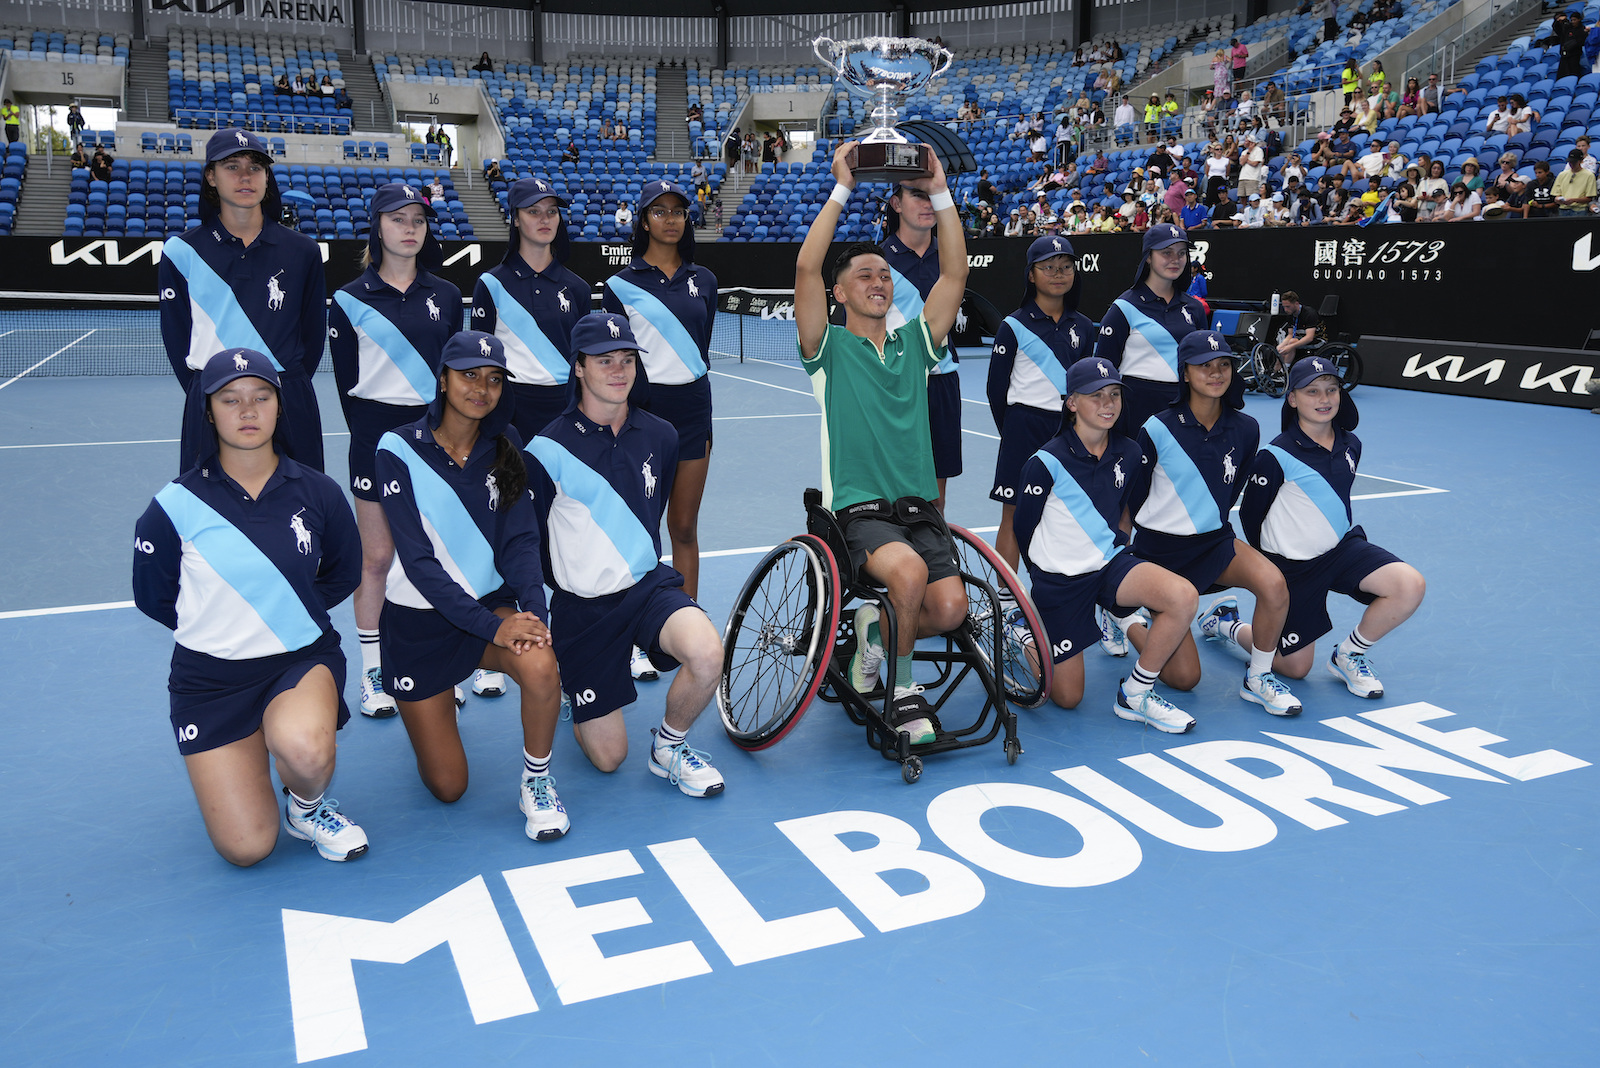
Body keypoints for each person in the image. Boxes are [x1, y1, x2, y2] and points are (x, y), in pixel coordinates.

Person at [132, 348, 366, 865]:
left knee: (305, 750)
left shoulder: (320, 492)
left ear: (280, 408)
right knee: (247, 849)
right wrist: (224, 623)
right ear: (208, 412)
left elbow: (344, 573)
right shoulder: (173, 506)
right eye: (230, 399)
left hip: (297, 661)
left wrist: (285, 615)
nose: (247, 410)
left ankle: (305, 807)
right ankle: (252, 743)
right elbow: (155, 597)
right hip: (209, 682)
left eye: (261, 397)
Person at [793, 139, 970, 744]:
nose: (879, 280)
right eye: (864, 274)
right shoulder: (828, 351)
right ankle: (901, 691)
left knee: (950, 610)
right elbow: (804, 270)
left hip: (917, 506)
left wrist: (940, 188)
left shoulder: (915, 346)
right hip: (860, 510)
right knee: (911, 573)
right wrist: (842, 187)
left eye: (885, 275)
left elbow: (954, 272)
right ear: (839, 292)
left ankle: (873, 632)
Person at [375, 331, 568, 839]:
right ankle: (432, 705)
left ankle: (537, 781)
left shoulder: (506, 448)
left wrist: (534, 617)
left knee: (542, 663)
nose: (481, 387)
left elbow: (522, 543)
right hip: (419, 622)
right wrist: (494, 629)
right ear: (442, 380)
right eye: (468, 375)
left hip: (489, 610)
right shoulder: (396, 448)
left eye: (494, 378)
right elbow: (418, 564)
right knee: (448, 785)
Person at [524, 313, 726, 796]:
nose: (619, 370)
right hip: (584, 610)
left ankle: (669, 747)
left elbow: (651, 508)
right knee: (609, 758)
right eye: (604, 360)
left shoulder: (662, 434)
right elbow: (528, 543)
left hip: (648, 588)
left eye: (628, 359)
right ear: (578, 368)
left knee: (707, 653)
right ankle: (578, 684)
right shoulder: (545, 450)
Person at [329, 182, 463, 719]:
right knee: (379, 558)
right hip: (375, 435)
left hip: (435, 437)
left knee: (436, 556)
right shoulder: (348, 300)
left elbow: (456, 375)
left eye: (418, 220)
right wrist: (373, 435)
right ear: (377, 227)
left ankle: (445, 665)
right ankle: (373, 673)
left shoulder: (448, 296)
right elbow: (345, 384)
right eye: (397, 218)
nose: (409, 228)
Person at [1219, 356, 1427, 698]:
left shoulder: (1351, 445)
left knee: (1409, 585)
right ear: (1292, 399)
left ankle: (1349, 654)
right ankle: (1228, 624)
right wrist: (1272, 569)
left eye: (1331, 390)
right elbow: (1251, 516)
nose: (1324, 398)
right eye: (1312, 391)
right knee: (1294, 669)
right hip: (1292, 569)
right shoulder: (1274, 456)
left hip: (1342, 551)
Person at [1012, 359, 1200, 730]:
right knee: (1067, 697)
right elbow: (1024, 527)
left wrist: (1117, 549)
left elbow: (1123, 510)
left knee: (1183, 600)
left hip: (1110, 567)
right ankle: (1025, 635)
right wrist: (1046, 579)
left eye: (1114, 394)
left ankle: (1135, 690)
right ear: (1071, 404)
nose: (1108, 403)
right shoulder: (1044, 463)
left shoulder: (1129, 452)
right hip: (1061, 582)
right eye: (1095, 396)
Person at [1127, 330, 1302, 717]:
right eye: (1203, 366)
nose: (1216, 373)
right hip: (1160, 553)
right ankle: (1125, 620)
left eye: (1223, 364)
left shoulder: (1246, 428)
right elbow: (1133, 496)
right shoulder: (1156, 427)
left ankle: (1258, 677)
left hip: (1216, 542)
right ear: (1184, 374)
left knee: (1274, 585)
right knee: (1184, 678)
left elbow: (1233, 487)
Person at [159, 129, 327, 475]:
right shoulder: (181, 252)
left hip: (289, 398)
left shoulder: (303, 251)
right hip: (212, 397)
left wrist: (280, 387)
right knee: (212, 513)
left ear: (267, 177)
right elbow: (177, 337)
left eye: (255, 167)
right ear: (211, 176)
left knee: (302, 511)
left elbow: (312, 335)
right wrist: (212, 392)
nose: (245, 176)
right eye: (232, 167)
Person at [602, 180, 717, 619]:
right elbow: (614, 361)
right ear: (643, 220)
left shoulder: (703, 279)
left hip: (693, 414)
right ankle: (633, 630)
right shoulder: (619, 285)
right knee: (638, 528)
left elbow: (699, 350)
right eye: (659, 211)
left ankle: (685, 624)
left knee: (683, 527)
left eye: (677, 212)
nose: (670, 219)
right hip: (641, 417)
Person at [986, 236, 1095, 573]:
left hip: (1069, 430)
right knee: (1015, 511)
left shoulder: (1086, 326)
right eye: (1048, 267)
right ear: (1031, 275)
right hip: (1024, 426)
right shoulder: (1013, 326)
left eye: (1065, 267)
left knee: (1067, 511)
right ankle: (1008, 602)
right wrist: (1015, 429)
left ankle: (1060, 596)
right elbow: (996, 390)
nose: (1058, 273)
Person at [472, 176, 589, 443]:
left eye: (551, 212)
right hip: (509, 412)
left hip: (566, 411)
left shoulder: (578, 288)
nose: (544, 219)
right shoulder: (490, 284)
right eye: (533, 211)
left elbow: (583, 360)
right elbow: (481, 360)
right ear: (515, 218)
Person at [879, 167, 964, 512]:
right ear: (896, 204)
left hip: (942, 382)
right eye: (918, 194)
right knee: (890, 495)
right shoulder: (875, 262)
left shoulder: (951, 259)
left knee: (935, 501)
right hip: (894, 386)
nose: (928, 203)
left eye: (933, 195)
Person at [1095, 223, 1210, 437]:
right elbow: (1103, 368)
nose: (1176, 259)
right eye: (1166, 252)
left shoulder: (1194, 308)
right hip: (1135, 410)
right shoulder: (1123, 307)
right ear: (1148, 257)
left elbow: (1203, 364)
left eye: (1182, 253)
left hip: (1184, 408)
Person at [1551, 148, 1597, 213]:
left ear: (1581, 161)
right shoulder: (1562, 175)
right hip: (1563, 209)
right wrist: (1558, 199)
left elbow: (1589, 198)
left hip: (1580, 210)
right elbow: (1556, 195)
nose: (1572, 164)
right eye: (1570, 162)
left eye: (1574, 162)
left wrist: (1573, 200)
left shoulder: (1589, 175)